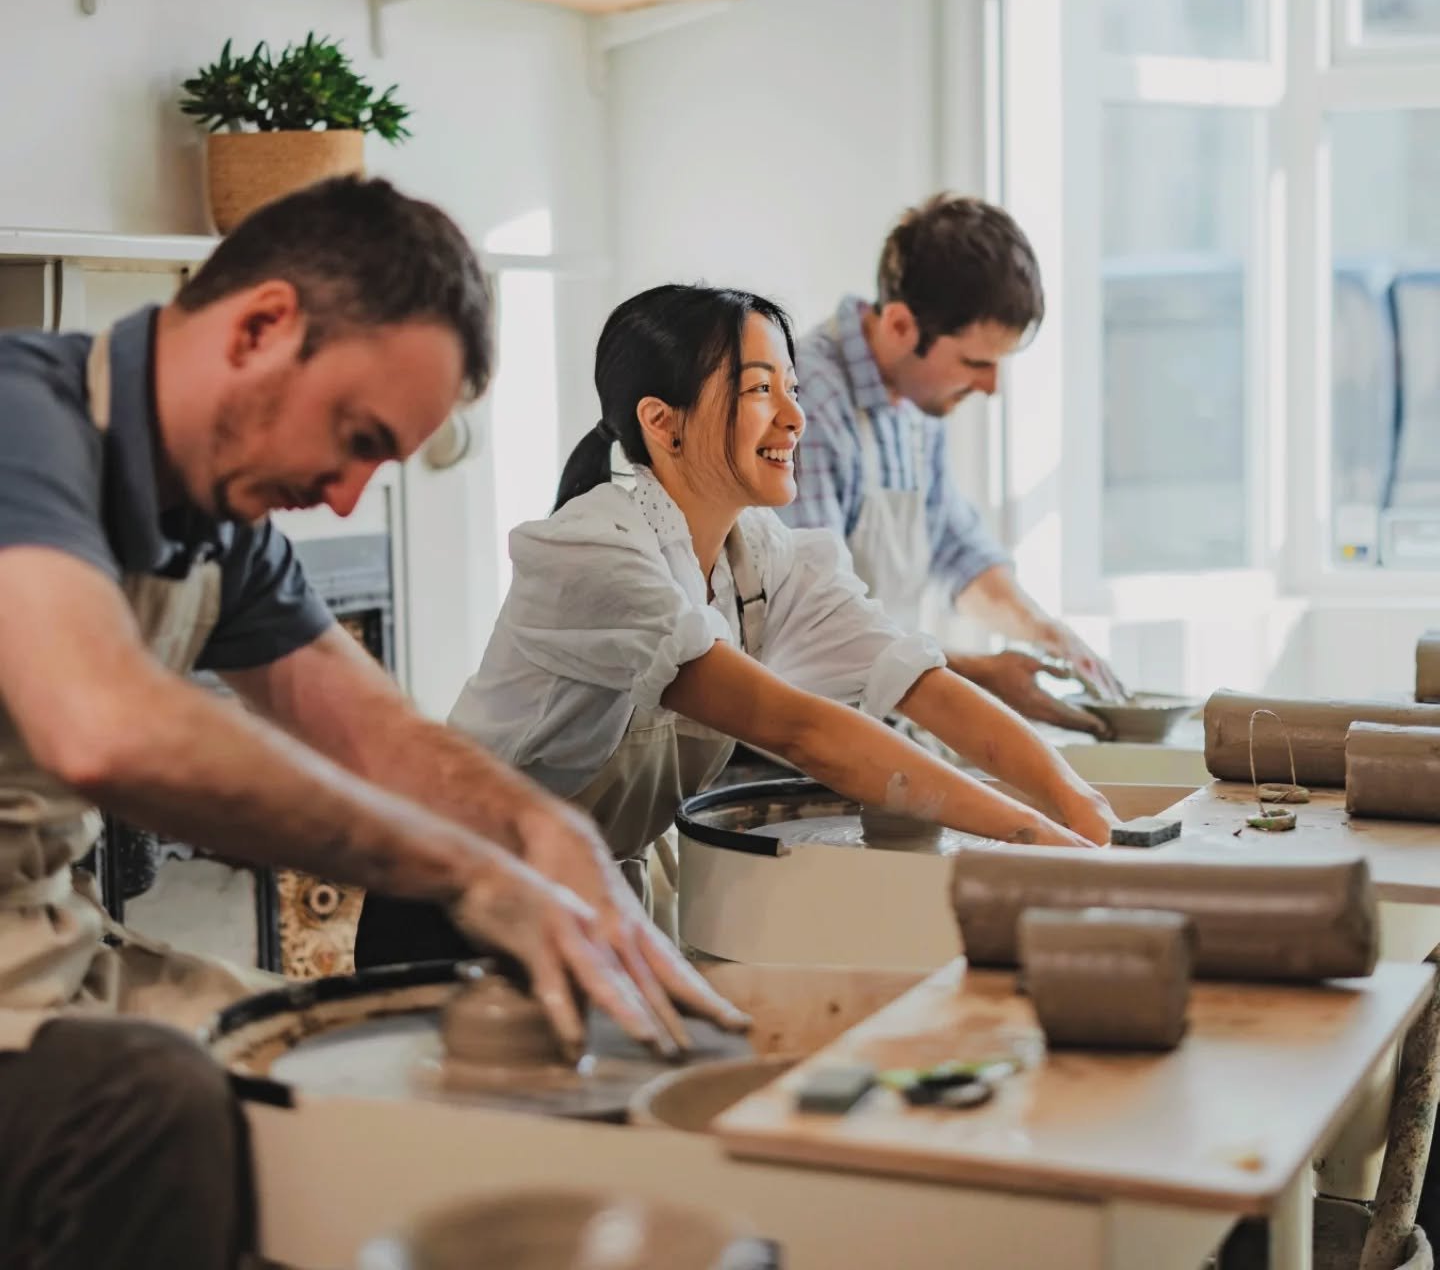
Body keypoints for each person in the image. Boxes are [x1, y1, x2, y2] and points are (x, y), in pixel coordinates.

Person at [0, 177, 742, 1268]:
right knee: (157, 1106)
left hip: (42, 952)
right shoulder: (23, 425)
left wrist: (545, 840)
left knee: (352, 1071)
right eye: (354, 437)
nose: (347, 500)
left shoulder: (217, 520)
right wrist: (463, 871)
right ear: (260, 327)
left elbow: (383, 742)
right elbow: (106, 729)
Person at [355, 284, 1117, 968]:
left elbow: (919, 681)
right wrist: (1027, 841)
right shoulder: (593, 553)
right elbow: (800, 731)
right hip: (452, 909)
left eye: (792, 388)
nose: (795, 416)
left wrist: (1080, 810)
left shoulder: (764, 557)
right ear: (663, 422)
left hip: (574, 898)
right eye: (761, 391)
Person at [778, 193, 1126, 738]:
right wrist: (983, 676)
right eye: (976, 363)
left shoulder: (917, 406)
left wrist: (1044, 634)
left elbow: (958, 552)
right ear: (899, 326)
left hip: (878, 718)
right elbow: (819, 627)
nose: (992, 387)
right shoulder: (805, 406)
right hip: (801, 739)